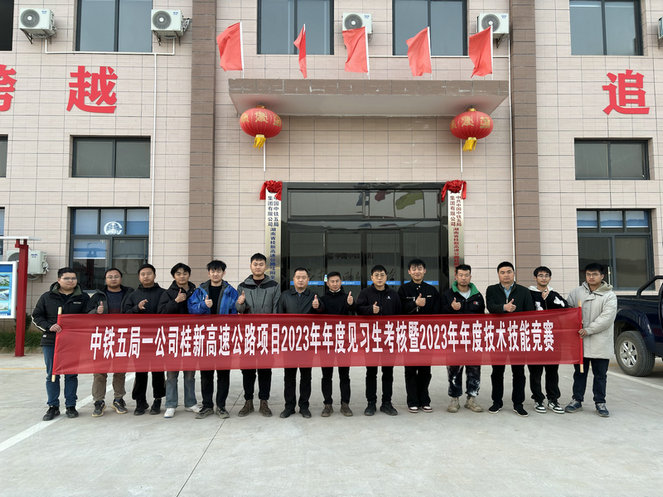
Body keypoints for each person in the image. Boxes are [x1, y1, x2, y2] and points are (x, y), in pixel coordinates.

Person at [32, 267, 99, 421]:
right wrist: (49, 326)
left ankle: (71, 405)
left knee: (71, 374)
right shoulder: (47, 297)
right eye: (67, 278)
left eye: (73, 278)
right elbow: (37, 316)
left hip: (73, 342)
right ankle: (53, 406)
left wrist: (96, 312)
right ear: (59, 280)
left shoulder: (83, 297)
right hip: (51, 341)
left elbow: (88, 318)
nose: (71, 281)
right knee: (52, 374)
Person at [187, 260, 239, 419]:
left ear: (224, 273)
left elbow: (235, 314)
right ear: (208, 273)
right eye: (212, 271)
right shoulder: (200, 291)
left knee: (223, 374)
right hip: (205, 338)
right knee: (206, 374)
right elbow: (191, 309)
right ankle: (207, 405)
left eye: (218, 271)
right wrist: (203, 305)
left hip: (224, 337)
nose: (215, 274)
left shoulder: (231, 291)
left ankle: (221, 406)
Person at [565, 263, 617, 417]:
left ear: (602, 276)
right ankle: (577, 400)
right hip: (580, 342)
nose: (591, 277)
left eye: (594, 274)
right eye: (588, 274)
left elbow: (607, 318)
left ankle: (600, 402)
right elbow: (568, 310)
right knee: (579, 373)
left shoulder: (609, 295)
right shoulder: (577, 292)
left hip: (599, 342)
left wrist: (588, 329)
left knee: (600, 375)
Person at [485, 261, 535, 417]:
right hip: (498, 336)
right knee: (497, 371)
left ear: (514, 273)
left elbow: (530, 313)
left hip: (517, 337)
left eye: (509, 272)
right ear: (498, 274)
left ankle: (518, 403)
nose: (506, 275)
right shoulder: (491, 289)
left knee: (518, 372)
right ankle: (496, 402)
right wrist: (503, 308)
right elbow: (490, 306)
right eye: (502, 272)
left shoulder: (524, 291)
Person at [235, 253, 280, 417]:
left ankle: (264, 402)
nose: (258, 267)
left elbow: (276, 310)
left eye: (261, 264)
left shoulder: (274, 286)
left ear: (265, 266)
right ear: (251, 266)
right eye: (255, 264)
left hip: (266, 335)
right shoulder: (242, 286)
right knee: (247, 370)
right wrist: (240, 303)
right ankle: (248, 402)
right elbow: (239, 311)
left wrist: (273, 333)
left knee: (265, 369)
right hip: (248, 335)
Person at [357, 264, 402, 416]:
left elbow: (400, 315)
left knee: (388, 372)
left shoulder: (393, 294)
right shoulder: (365, 293)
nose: (379, 278)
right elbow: (358, 310)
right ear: (372, 278)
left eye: (382, 275)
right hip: (371, 339)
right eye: (376, 275)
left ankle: (386, 403)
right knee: (371, 372)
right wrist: (370, 310)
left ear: (386, 277)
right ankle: (371, 403)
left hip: (389, 339)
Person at [88, 268, 134, 417]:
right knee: (99, 372)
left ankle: (118, 399)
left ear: (121, 278)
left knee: (120, 371)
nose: (113, 279)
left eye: (116, 276)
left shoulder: (129, 294)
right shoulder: (98, 296)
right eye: (110, 277)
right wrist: (96, 312)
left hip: (122, 337)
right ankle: (98, 401)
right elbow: (86, 315)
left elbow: (134, 311)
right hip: (103, 337)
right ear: (105, 279)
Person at [441, 264, 486, 413]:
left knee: (474, 369)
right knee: (454, 369)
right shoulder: (448, 295)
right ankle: (454, 399)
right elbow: (439, 314)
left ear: (470, 277)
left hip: (473, 339)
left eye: (466, 275)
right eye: (461, 275)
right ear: (456, 276)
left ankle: (471, 399)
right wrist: (450, 308)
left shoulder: (477, 296)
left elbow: (482, 317)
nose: (464, 278)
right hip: (454, 339)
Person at [398, 259, 441, 413]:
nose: (417, 271)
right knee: (410, 370)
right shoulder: (403, 290)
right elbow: (399, 310)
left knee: (425, 370)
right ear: (409, 272)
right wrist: (414, 304)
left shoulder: (432, 290)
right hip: (409, 336)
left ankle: (424, 400)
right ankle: (412, 401)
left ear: (425, 271)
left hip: (426, 336)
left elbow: (437, 312)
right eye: (414, 269)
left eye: (420, 268)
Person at [123, 263, 166, 415]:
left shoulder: (163, 293)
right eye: (143, 274)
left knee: (158, 371)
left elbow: (169, 313)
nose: (146, 276)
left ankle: (157, 400)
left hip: (158, 339)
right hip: (139, 339)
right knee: (140, 372)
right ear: (139, 277)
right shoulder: (133, 295)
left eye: (149, 273)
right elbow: (124, 315)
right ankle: (140, 402)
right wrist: (136, 308)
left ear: (155, 275)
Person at [158, 262, 199, 418]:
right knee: (171, 374)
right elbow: (161, 314)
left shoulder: (196, 292)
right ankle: (170, 404)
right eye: (178, 274)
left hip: (191, 337)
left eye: (185, 273)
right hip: (173, 338)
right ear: (174, 276)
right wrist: (176, 301)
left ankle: (190, 403)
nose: (182, 276)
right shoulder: (168, 293)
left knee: (190, 374)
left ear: (189, 275)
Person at [313, 271, 355, 417]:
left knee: (344, 375)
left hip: (344, 341)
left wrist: (351, 304)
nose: (335, 284)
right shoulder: (322, 299)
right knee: (326, 375)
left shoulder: (347, 298)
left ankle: (345, 404)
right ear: (327, 283)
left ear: (341, 282)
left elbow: (353, 314)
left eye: (337, 281)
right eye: (332, 281)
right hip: (327, 342)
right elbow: (319, 312)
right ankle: (327, 404)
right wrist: (316, 306)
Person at [527, 266, 567, 414]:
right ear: (535, 278)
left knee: (552, 371)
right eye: (540, 275)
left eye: (546, 275)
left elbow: (566, 308)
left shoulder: (554, 294)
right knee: (535, 372)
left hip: (552, 339)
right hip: (535, 339)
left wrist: (549, 299)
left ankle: (553, 399)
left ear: (550, 278)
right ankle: (538, 399)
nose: (543, 278)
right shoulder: (529, 293)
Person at [278, 267, 316, 418]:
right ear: (293, 279)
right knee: (289, 376)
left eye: (303, 277)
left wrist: (318, 307)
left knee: (306, 377)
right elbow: (279, 317)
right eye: (298, 277)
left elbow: (321, 314)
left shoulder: (313, 295)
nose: (300, 280)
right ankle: (289, 406)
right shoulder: (285, 296)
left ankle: (304, 406)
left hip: (307, 343)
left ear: (308, 280)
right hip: (290, 343)